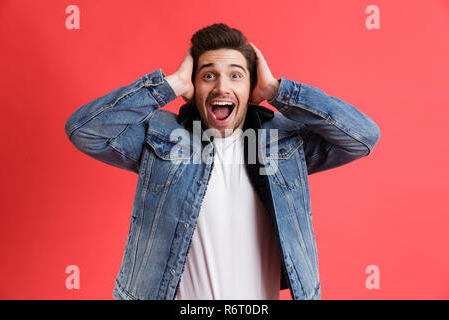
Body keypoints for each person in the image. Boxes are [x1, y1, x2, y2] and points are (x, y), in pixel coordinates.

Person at [65, 23, 380, 300]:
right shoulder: (163, 139)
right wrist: (170, 85)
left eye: (235, 75)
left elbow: (362, 136)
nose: (221, 87)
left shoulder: (282, 144)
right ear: (194, 87)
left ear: (250, 87)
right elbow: (85, 131)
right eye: (208, 75)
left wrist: (277, 90)